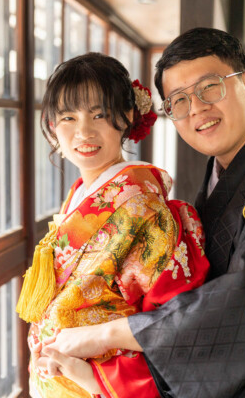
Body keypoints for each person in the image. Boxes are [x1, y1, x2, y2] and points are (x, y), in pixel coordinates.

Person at [41, 28, 245, 397]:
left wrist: (106, 334)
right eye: (178, 100)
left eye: (210, 87)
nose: (196, 108)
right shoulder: (222, 175)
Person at [16, 52, 209, 398]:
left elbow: (173, 323)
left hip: (98, 383)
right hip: (58, 378)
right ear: (52, 125)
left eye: (99, 114)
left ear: (128, 115)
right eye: (68, 117)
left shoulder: (143, 208)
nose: (84, 132)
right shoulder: (81, 192)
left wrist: (92, 378)